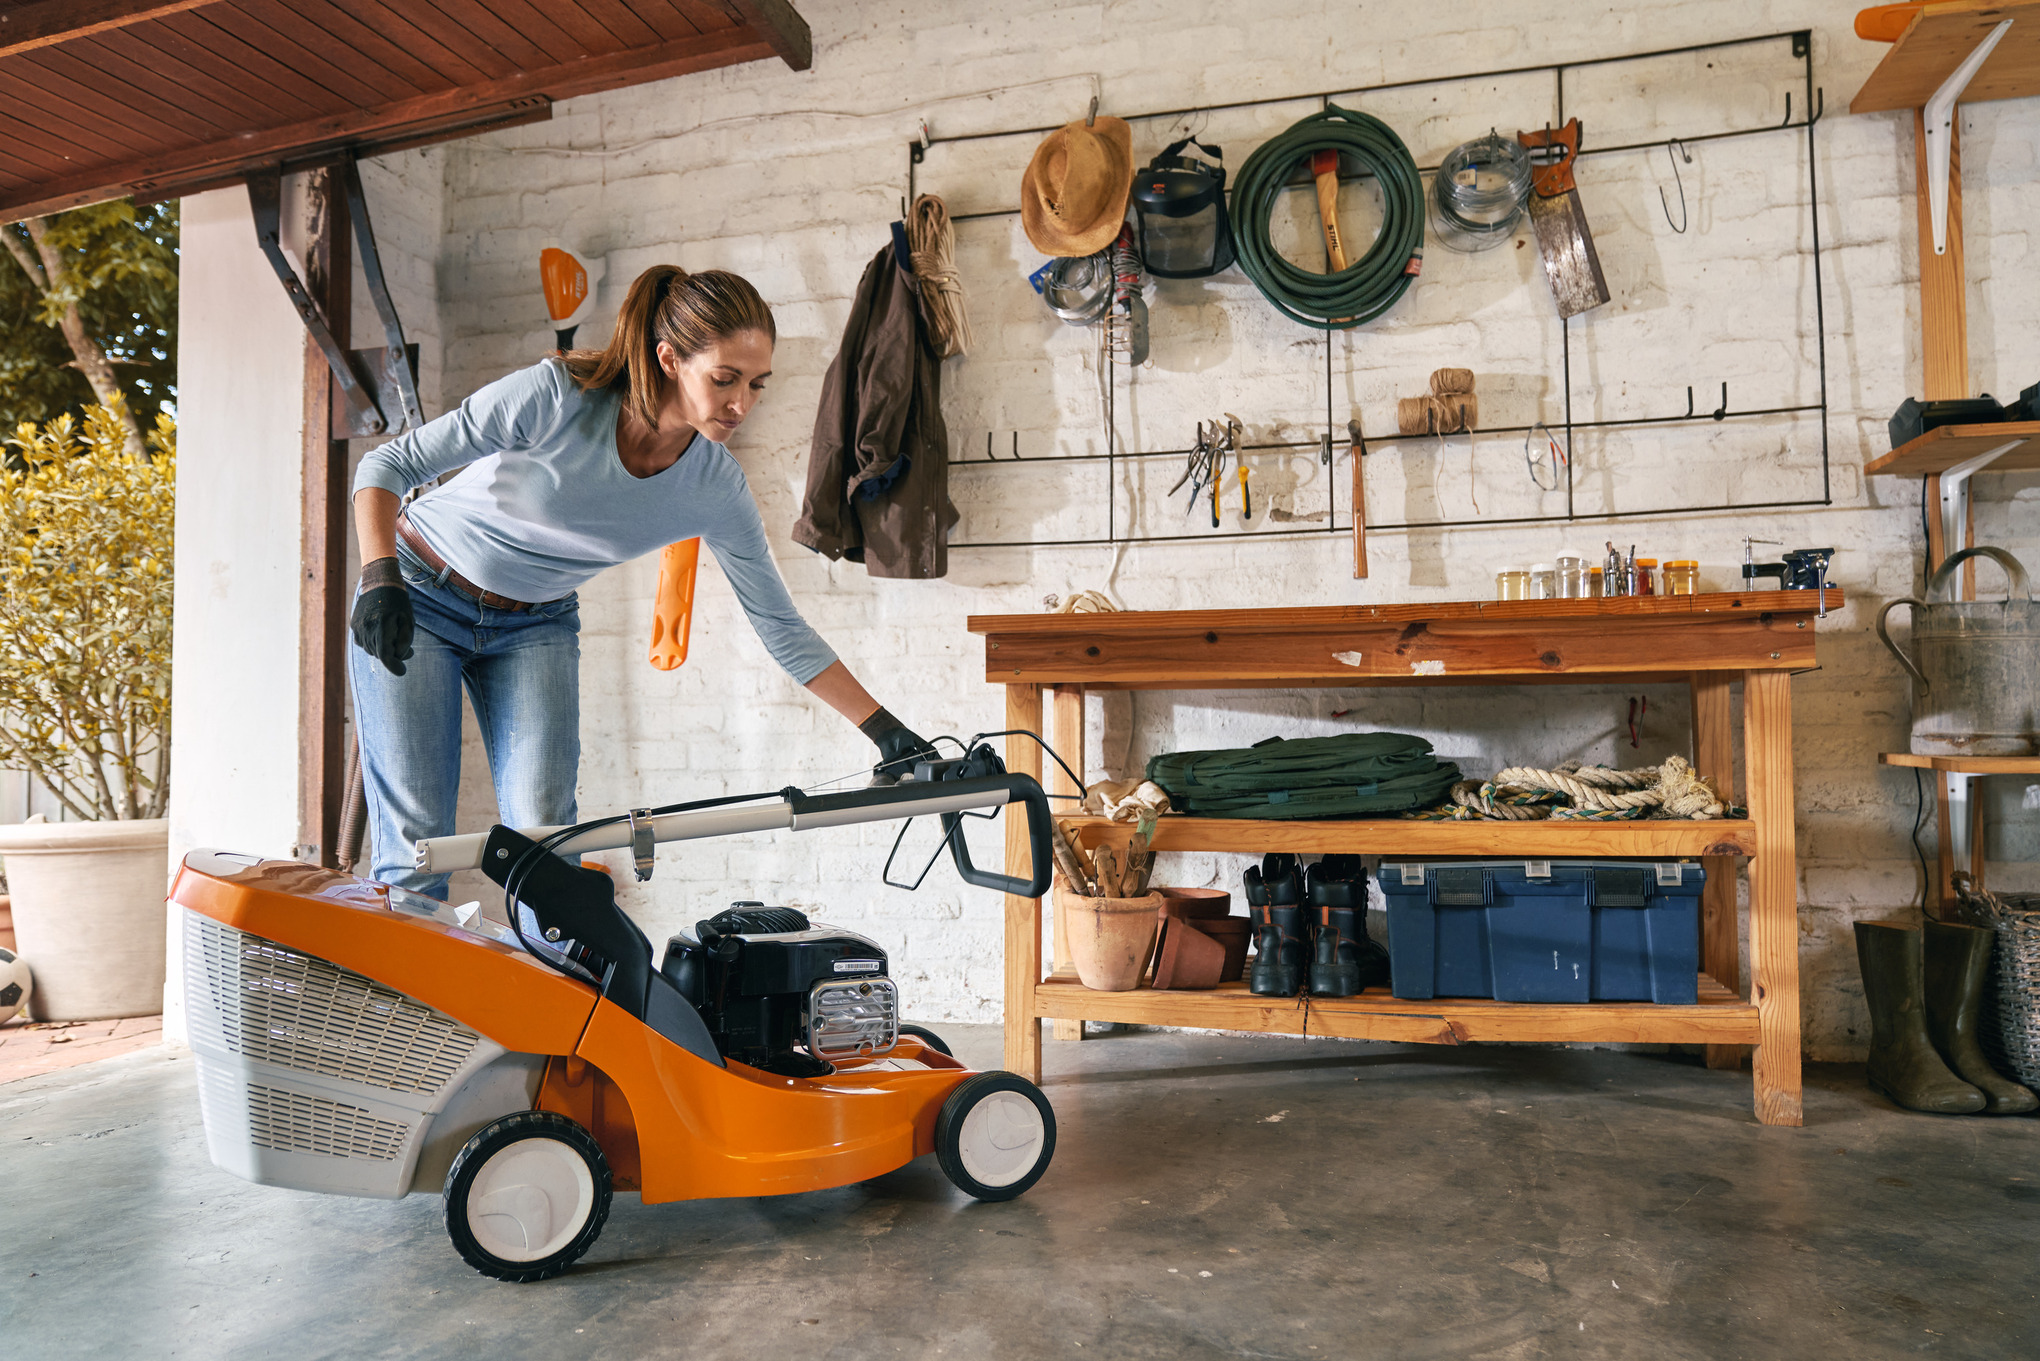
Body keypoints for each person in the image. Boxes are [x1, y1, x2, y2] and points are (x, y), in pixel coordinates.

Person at [346, 265, 933, 897]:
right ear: (669, 358)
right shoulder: (556, 395)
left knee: (548, 856)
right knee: (417, 853)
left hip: (534, 623)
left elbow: (779, 625)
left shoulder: (714, 486)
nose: (743, 404)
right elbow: (387, 463)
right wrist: (381, 575)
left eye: (757, 384)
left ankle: (540, 994)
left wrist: (886, 731)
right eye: (725, 379)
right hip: (420, 590)